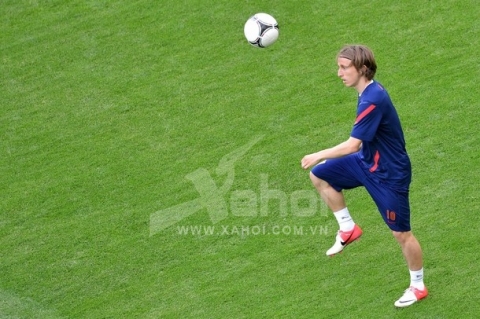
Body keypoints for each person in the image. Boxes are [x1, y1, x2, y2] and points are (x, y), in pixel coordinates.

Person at [301, 45, 428, 307]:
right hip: (366, 163)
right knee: (320, 175)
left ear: (362, 69)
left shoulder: (373, 99)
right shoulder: (366, 92)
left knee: (401, 234)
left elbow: (352, 145)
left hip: (389, 176)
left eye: (344, 67)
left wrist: (317, 153)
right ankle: (348, 228)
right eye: (339, 66)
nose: (339, 73)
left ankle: (418, 286)